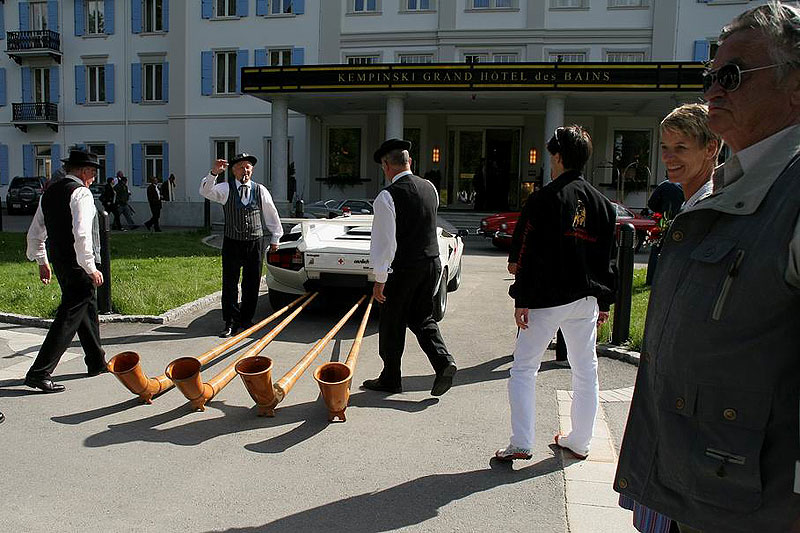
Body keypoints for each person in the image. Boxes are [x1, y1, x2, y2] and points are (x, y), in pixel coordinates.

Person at [615, 4, 800, 532]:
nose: (714, 90)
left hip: (750, 505)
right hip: (695, 487)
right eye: (710, 75)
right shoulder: (731, 186)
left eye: (733, 75)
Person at [619, 103, 721, 533]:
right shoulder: (689, 200)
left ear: (712, 147)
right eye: (664, 147)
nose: (670, 156)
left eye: (681, 146)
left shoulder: (717, 205)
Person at [495, 125, 615, 462]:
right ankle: (580, 439)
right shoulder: (603, 204)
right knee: (585, 368)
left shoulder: (544, 198)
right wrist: (604, 300)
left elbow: (527, 253)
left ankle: (521, 441)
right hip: (586, 297)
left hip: (547, 298)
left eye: (551, 156)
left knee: (523, 368)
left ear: (558, 157)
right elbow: (606, 257)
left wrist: (522, 298)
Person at [362, 138, 457, 396]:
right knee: (422, 317)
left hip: (403, 268)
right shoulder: (430, 188)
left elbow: (384, 243)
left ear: (385, 165)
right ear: (409, 162)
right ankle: (444, 361)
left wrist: (379, 278)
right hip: (431, 263)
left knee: (392, 321)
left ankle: (391, 377)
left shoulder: (387, 197)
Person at [24, 149, 107, 393]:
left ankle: (96, 361)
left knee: (86, 308)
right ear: (84, 172)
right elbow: (82, 235)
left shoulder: (50, 192)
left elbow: (36, 231)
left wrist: (42, 260)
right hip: (78, 263)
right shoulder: (81, 192)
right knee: (70, 314)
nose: (93, 179)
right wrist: (90, 267)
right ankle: (40, 372)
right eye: (92, 174)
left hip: (61, 262)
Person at [200, 152, 283, 338]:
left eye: (247, 166)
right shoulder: (225, 188)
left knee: (251, 283)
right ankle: (230, 322)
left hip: (255, 241)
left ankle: (246, 320)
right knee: (230, 283)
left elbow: (271, 213)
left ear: (252, 170)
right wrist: (214, 173)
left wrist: (275, 237)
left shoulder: (260, 190)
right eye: (239, 167)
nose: (244, 170)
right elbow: (205, 192)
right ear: (233, 171)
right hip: (232, 242)